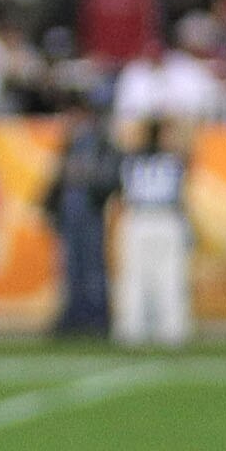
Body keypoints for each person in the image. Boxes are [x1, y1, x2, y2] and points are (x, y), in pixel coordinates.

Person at [44, 105, 123, 338]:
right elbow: (58, 182)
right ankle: (74, 316)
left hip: (90, 212)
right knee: (72, 268)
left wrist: (93, 186)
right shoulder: (70, 146)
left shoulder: (102, 146)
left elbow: (111, 180)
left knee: (92, 268)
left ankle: (97, 318)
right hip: (72, 216)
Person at [112, 122, 192, 346]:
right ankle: (172, 330)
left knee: (134, 278)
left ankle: (132, 329)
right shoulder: (174, 161)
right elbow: (182, 194)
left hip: (139, 218)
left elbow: (121, 191)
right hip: (166, 218)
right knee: (170, 277)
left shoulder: (132, 161)